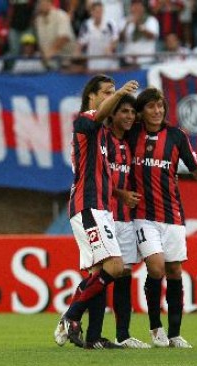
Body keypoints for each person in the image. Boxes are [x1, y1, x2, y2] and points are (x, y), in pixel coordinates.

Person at [54, 75, 139, 349]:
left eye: (113, 92)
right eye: (107, 92)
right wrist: (122, 92)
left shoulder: (102, 132)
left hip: (101, 208)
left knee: (99, 273)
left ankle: (93, 338)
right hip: (87, 205)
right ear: (92, 95)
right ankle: (70, 316)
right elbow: (101, 113)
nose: (111, 97)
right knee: (114, 266)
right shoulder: (84, 121)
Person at [127, 88, 197, 348]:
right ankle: (156, 328)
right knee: (156, 266)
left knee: (175, 270)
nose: (157, 111)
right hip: (143, 215)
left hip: (172, 214)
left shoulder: (176, 136)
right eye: (151, 107)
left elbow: (193, 164)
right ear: (141, 111)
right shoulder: (132, 135)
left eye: (160, 107)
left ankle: (175, 333)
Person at [106, 94, 150, 349]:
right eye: (123, 111)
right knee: (103, 273)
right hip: (105, 214)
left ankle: (122, 335)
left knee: (123, 274)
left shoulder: (131, 142)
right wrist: (120, 194)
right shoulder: (104, 140)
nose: (129, 117)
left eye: (132, 113)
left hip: (126, 218)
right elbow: (98, 177)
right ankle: (85, 327)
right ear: (112, 114)